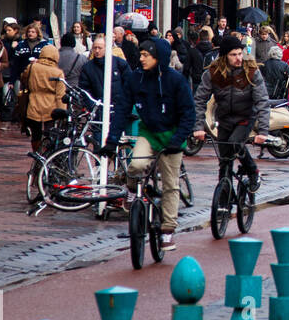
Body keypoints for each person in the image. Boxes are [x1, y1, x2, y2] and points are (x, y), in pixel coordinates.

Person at [105, 39, 195, 250]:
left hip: (172, 136)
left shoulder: (176, 81)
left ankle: (167, 231)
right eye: (141, 54)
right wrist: (111, 140)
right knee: (135, 166)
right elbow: (122, 109)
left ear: (159, 58)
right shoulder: (135, 79)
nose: (141, 58)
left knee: (170, 184)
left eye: (146, 55)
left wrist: (177, 139)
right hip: (149, 133)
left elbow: (188, 114)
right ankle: (131, 190)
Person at [194, 34, 269, 194]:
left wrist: (263, 131)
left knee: (235, 142)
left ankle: (253, 171)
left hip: (245, 118)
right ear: (224, 56)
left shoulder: (251, 71)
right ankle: (223, 202)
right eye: (233, 55)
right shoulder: (213, 73)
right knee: (224, 161)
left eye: (240, 53)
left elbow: (262, 101)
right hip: (224, 120)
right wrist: (198, 127)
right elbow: (199, 100)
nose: (238, 58)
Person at [23, 44, 66, 153]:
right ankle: (46, 153)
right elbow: (60, 95)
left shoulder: (32, 67)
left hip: (34, 102)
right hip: (50, 106)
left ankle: (36, 153)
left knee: (36, 134)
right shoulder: (58, 72)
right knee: (49, 132)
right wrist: (62, 112)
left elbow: (24, 79)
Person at [78, 35, 129, 105]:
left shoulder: (120, 63)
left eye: (100, 48)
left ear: (106, 48)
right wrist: (92, 105)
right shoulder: (87, 67)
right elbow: (84, 90)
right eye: (95, 48)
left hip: (118, 107)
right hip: (97, 107)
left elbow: (128, 84)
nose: (97, 51)